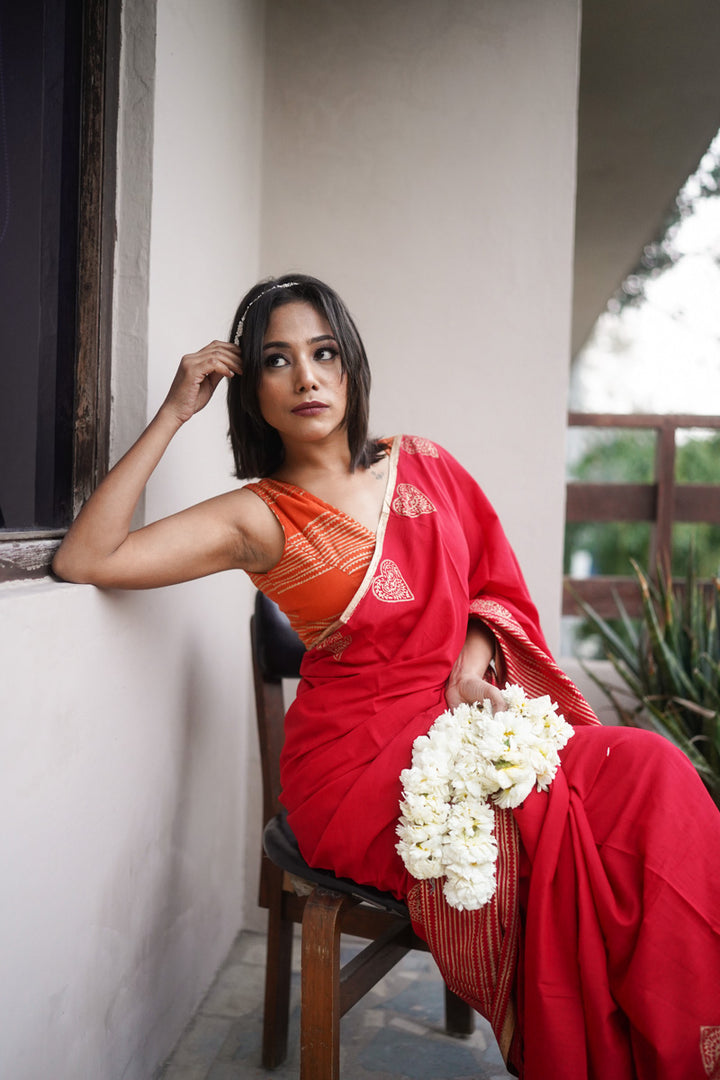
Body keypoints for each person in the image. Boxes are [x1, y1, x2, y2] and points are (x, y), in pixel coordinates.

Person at [53, 274, 720, 1080]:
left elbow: (490, 590)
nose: (306, 377)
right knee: (545, 829)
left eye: (324, 352)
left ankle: (685, 1044)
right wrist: (172, 413)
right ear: (251, 390)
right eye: (276, 360)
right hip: (360, 766)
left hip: (462, 717)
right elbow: (89, 556)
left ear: (351, 365)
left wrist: (471, 676)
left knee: (651, 772)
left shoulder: (426, 466)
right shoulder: (258, 516)